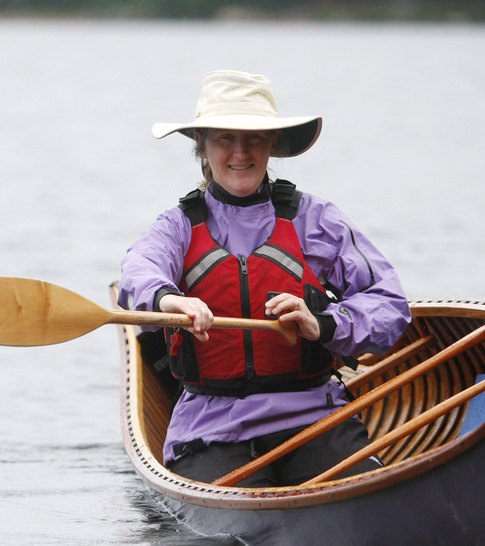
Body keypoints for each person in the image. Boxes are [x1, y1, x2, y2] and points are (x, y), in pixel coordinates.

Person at [117, 70, 411, 487]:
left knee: (372, 493)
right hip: (209, 428)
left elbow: (390, 304)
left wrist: (323, 323)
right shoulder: (177, 226)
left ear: (273, 145)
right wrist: (169, 300)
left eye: (254, 137)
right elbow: (136, 271)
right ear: (201, 146)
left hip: (313, 418)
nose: (240, 152)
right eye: (225, 139)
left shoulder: (315, 219)